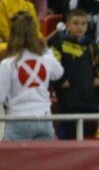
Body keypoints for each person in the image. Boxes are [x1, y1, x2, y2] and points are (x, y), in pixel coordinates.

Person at [0, 12, 63, 141]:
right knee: (46, 160)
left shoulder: (7, 64)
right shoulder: (45, 59)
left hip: (18, 120)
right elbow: (58, 73)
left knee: (10, 160)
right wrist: (46, 50)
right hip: (44, 120)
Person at [49, 8, 99, 139]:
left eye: (83, 23)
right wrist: (61, 81)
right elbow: (52, 68)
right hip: (68, 102)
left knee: (88, 139)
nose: (80, 27)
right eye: (76, 23)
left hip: (88, 102)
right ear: (67, 25)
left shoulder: (91, 46)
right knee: (69, 141)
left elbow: (98, 67)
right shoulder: (59, 44)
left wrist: (98, 78)